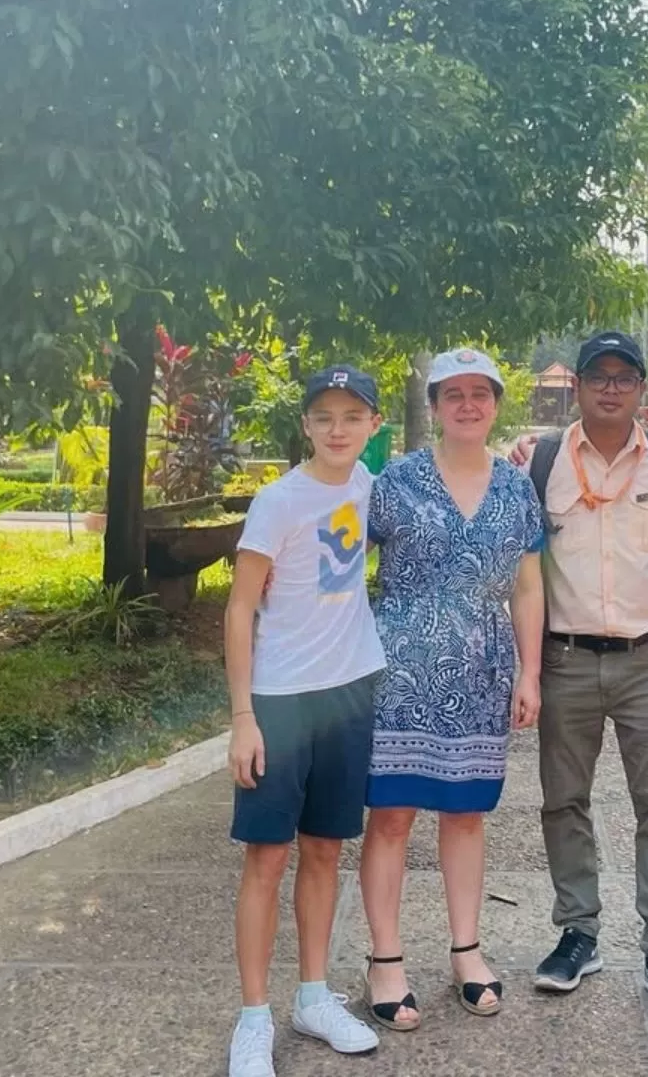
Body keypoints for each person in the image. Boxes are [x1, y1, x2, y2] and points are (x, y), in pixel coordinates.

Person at [518, 331, 648, 1021]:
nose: (611, 387)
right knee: (563, 800)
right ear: (580, 385)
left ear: (641, 388)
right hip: (566, 656)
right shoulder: (541, 461)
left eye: (626, 377)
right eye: (599, 375)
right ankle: (578, 933)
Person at [360, 347, 547, 1031]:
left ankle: (467, 951)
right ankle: (386, 960)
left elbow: (528, 586)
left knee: (467, 815)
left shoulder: (516, 488)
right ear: (435, 406)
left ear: (497, 402)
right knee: (392, 817)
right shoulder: (395, 481)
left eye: (481, 393)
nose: (468, 404)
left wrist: (530, 672)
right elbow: (346, 565)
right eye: (453, 394)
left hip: (480, 677)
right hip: (399, 675)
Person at [224, 365, 387, 1077]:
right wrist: (241, 718)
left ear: (373, 426)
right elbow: (239, 608)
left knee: (326, 851)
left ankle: (313, 996)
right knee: (267, 857)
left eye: (352, 416)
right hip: (281, 701)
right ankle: (254, 1015)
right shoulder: (278, 502)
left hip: (349, 691)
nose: (338, 428)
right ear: (306, 426)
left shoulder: (367, 486)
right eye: (324, 416)